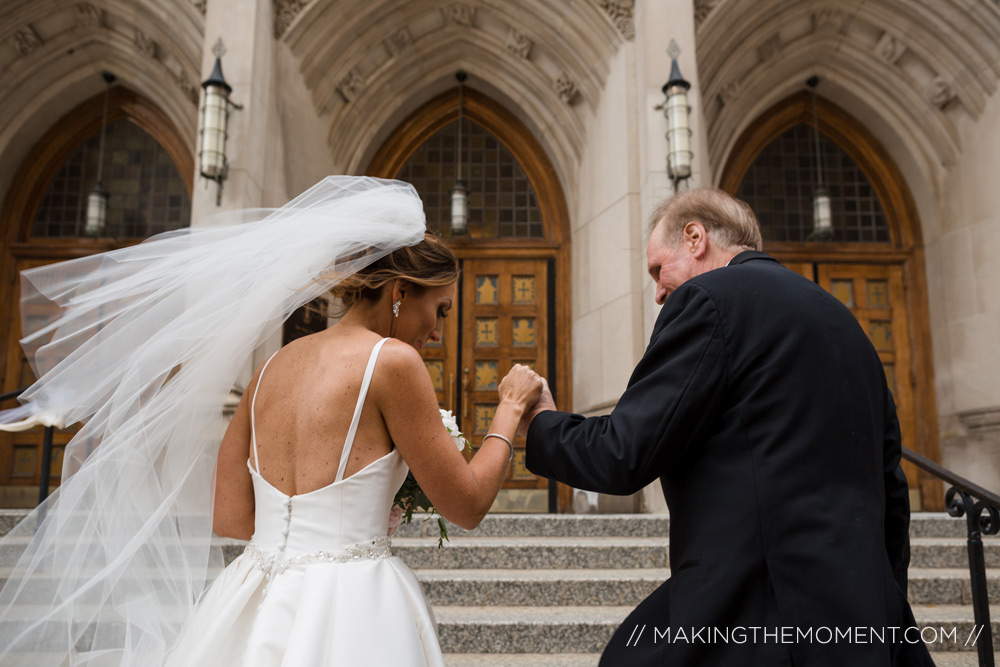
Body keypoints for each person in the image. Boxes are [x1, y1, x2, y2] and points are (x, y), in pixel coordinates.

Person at [0, 177, 542, 666]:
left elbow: (231, 517)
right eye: (441, 310)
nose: (439, 331)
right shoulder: (392, 363)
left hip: (252, 598)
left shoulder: (270, 369)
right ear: (400, 293)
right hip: (354, 604)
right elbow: (466, 505)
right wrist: (511, 409)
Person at [523, 188, 934, 666]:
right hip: (860, 614)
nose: (658, 291)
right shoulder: (847, 324)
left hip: (753, 611)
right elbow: (892, 491)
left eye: (658, 269)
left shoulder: (709, 300)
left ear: (695, 238)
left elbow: (624, 451)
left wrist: (543, 423)